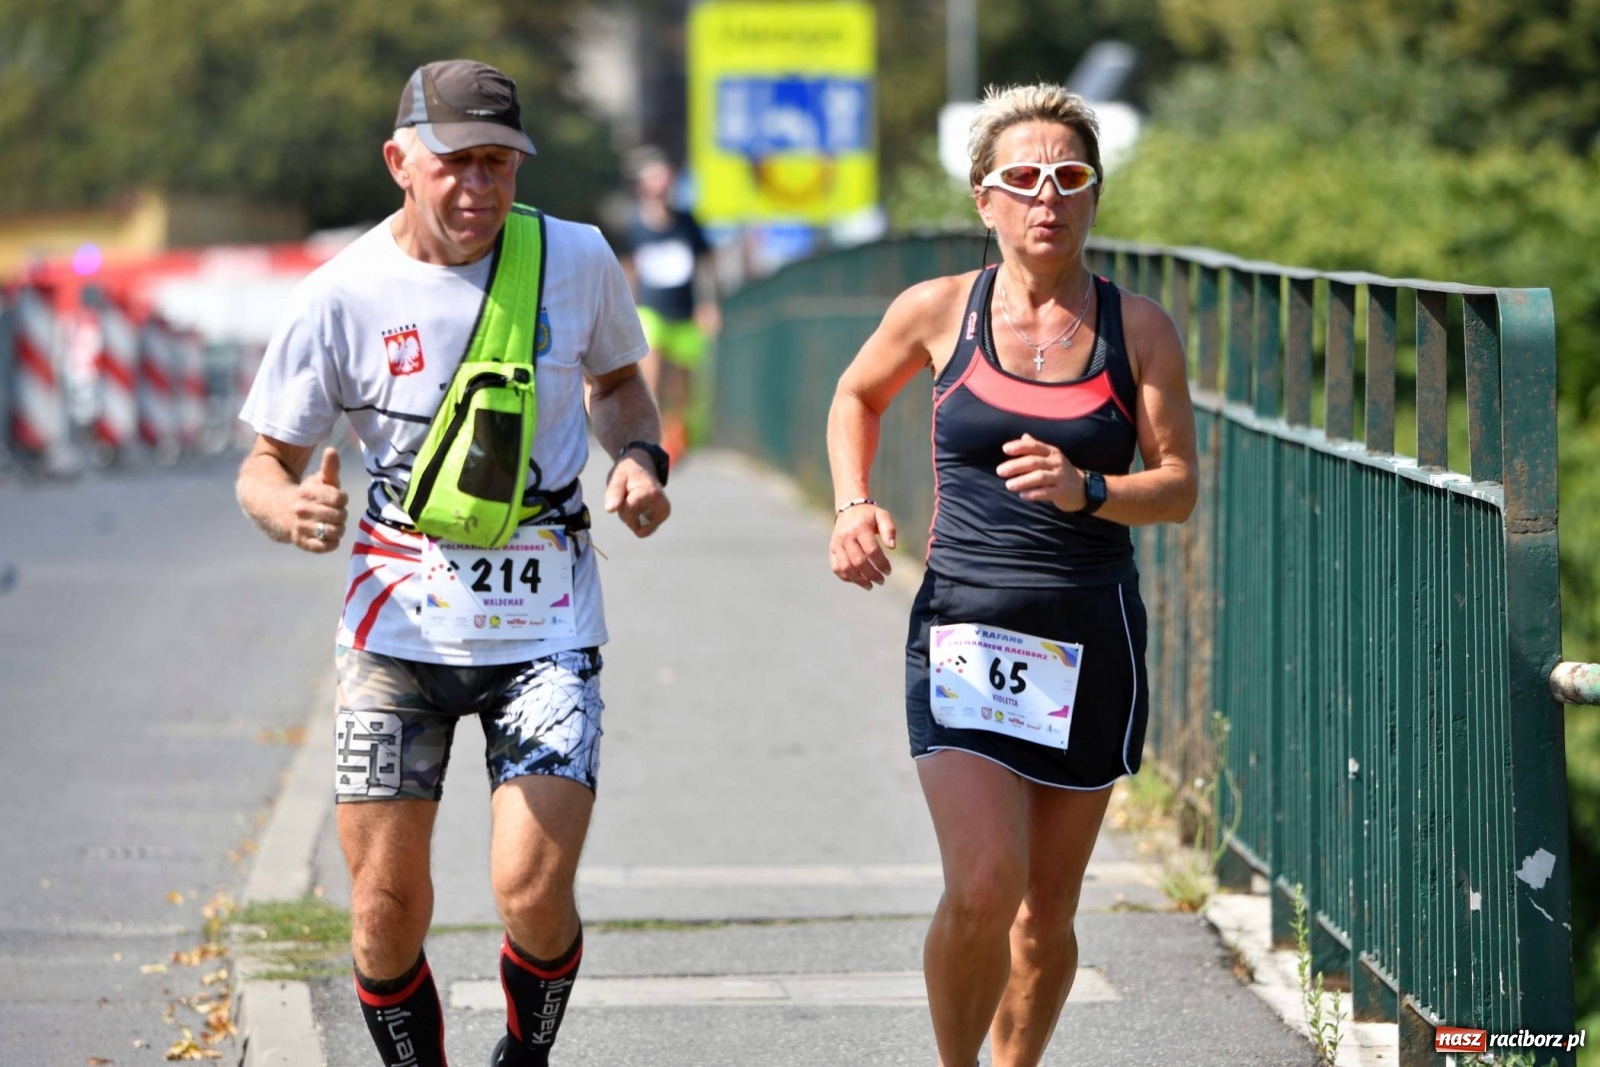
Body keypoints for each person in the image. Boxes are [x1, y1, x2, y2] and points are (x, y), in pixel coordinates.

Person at [235, 59, 673, 1067]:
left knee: (531, 886)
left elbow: (619, 385)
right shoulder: (338, 295)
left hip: (547, 626)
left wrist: (640, 458)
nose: (479, 188)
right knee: (383, 908)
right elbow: (264, 465)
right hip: (396, 631)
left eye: (498, 164)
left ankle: (524, 1053)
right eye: (455, 164)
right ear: (400, 162)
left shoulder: (575, 257)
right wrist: (287, 505)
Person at [825, 83, 1198, 1067]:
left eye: (1070, 177)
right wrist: (851, 501)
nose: (1048, 197)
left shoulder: (1140, 328)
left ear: (1094, 194)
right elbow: (855, 395)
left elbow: (1176, 487)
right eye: (1023, 179)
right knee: (985, 880)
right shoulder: (938, 309)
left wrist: (1088, 488)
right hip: (963, 626)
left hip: (1090, 635)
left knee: (1043, 913)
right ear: (984, 201)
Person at [619, 148, 719, 465]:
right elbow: (629, 268)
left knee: (683, 384)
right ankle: (652, 434)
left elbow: (706, 265)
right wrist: (627, 308)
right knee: (652, 371)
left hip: (685, 312)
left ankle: (679, 435)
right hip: (651, 310)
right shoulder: (635, 226)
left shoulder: (687, 222)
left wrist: (709, 304)